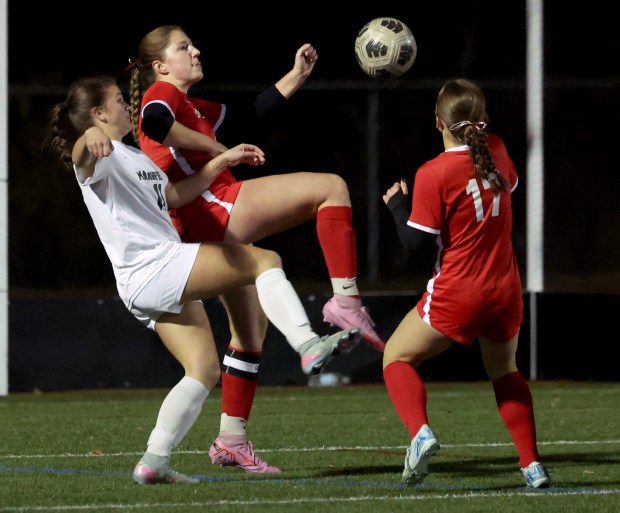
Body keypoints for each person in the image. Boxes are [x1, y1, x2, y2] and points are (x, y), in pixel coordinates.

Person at [44, 75, 361, 484]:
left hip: (147, 281)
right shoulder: (98, 156)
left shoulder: (134, 156)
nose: (128, 105)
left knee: (203, 369)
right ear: (99, 113)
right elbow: (81, 158)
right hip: (155, 267)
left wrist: (220, 163)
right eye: (119, 101)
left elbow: (174, 197)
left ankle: (154, 461)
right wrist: (87, 136)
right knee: (263, 260)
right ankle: (307, 343)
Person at [125, 25, 384, 475]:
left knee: (248, 335)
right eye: (183, 47)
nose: (196, 50)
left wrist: (294, 77)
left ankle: (231, 440)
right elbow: (152, 122)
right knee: (331, 188)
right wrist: (215, 149)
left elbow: (246, 112)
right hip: (211, 208)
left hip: (199, 226)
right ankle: (345, 302)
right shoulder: (162, 92)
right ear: (160, 65)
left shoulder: (188, 102)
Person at [381, 78, 551, 488]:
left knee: (395, 358)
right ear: (480, 120)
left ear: (438, 122)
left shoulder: (433, 172)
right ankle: (532, 465)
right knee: (505, 370)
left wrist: (395, 205)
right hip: (505, 289)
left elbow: (413, 243)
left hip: (460, 290)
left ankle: (420, 433)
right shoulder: (497, 149)